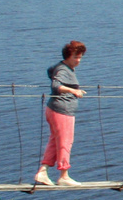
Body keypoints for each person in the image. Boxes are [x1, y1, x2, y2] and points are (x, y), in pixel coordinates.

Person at [36, 41, 88, 186]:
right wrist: (73, 91)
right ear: (68, 56)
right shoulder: (63, 70)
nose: (78, 61)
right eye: (75, 57)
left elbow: (50, 71)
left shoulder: (62, 68)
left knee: (54, 141)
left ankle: (42, 172)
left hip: (54, 110)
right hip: (62, 111)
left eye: (80, 57)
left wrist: (74, 89)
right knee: (66, 141)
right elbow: (56, 85)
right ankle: (64, 175)